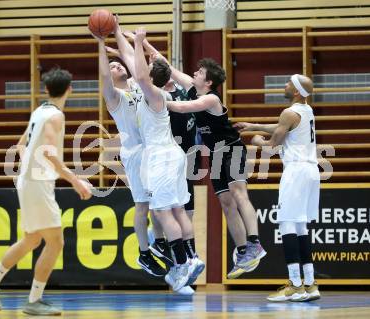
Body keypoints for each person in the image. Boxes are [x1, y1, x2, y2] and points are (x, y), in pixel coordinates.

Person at [0, 67, 93, 315]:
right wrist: (76, 180)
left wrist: (30, 166)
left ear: (47, 90)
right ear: (69, 90)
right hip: (36, 185)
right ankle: (34, 301)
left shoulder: (38, 112)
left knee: (32, 238)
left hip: (28, 181)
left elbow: (21, 146)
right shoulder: (56, 116)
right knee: (56, 242)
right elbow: (49, 152)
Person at [164, 57, 266, 278]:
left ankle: (254, 244)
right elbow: (170, 70)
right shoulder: (194, 90)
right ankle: (242, 252)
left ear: (208, 81)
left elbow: (182, 107)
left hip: (232, 149)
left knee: (239, 195)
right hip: (215, 155)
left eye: (199, 72)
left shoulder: (210, 99)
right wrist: (147, 48)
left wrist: (155, 100)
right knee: (226, 204)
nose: (195, 73)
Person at [234, 74, 320, 302]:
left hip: (296, 171)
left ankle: (294, 284)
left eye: (289, 83)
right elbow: (284, 127)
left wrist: (257, 141)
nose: (284, 84)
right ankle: (310, 284)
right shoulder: (306, 110)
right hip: (311, 171)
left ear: (295, 91)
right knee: (300, 225)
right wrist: (254, 125)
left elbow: (273, 144)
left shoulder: (289, 113)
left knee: (286, 223)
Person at [133, 26, 203, 292]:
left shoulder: (153, 93)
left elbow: (139, 74)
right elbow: (147, 70)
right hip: (175, 154)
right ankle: (191, 257)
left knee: (163, 213)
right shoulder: (163, 92)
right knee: (177, 210)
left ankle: (183, 263)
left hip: (162, 155)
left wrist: (139, 42)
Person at [95, 28, 166, 278]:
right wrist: (102, 46)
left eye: (118, 64)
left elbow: (144, 62)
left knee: (160, 202)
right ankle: (144, 254)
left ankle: (159, 243)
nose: (116, 67)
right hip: (135, 154)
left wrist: (121, 39)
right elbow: (104, 75)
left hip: (153, 150)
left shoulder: (138, 84)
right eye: (113, 67)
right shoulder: (114, 97)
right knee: (143, 206)